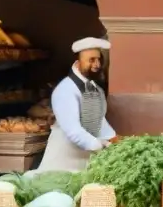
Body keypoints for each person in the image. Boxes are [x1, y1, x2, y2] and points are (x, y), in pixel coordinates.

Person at [39, 37, 116, 172]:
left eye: (99, 60)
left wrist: (115, 140)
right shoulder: (65, 90)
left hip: (86, 163)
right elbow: (73, 131)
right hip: (61, 164)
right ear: (78, 61)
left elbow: (99, 121)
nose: (97, 64)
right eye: (91, 60)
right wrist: (101, 146)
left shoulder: (96, 89)